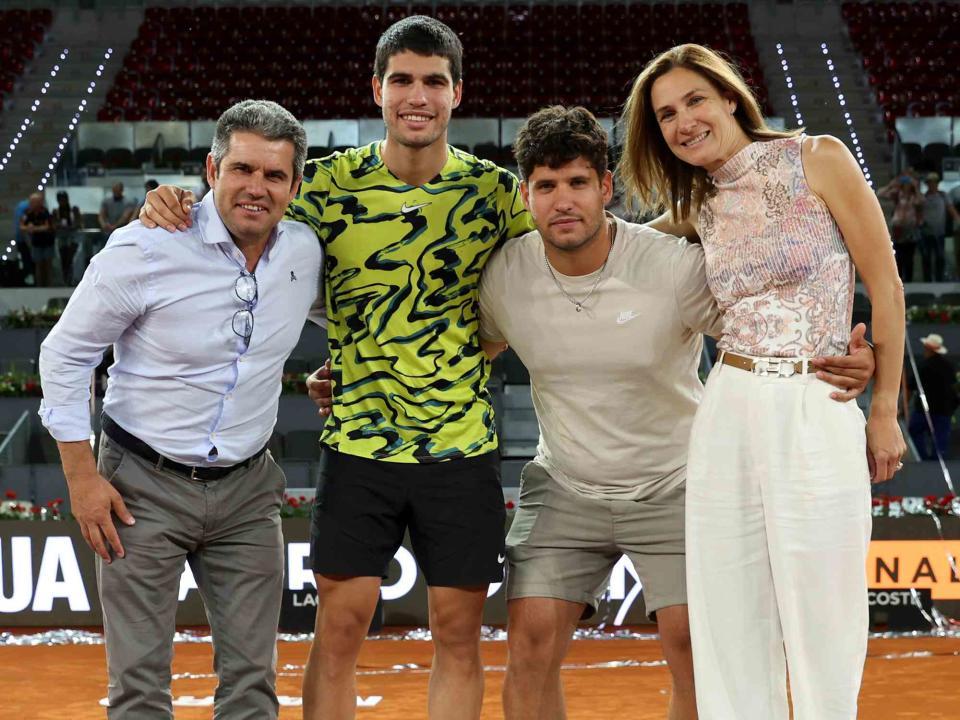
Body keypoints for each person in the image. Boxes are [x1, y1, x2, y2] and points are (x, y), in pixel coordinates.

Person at [138, 17, 533, 720]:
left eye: (434, 81)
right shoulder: (321, 187)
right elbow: (234, 222)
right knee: (341, 629)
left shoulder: (496, 193)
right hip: (359, 447)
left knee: (458, 636)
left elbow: (543, 288)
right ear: (377, 88)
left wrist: (487, 343)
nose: (418, 95)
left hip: (461, 448)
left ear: (458, 93)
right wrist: (166, 200)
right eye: (403, 80)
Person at [473, 106, 875, 720]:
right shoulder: (504, 277)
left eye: (578, 183)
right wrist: (352, 380)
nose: (563, 200)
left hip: (679, 484)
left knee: (695, 649)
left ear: (606, 188)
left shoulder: (670, 266)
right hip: (564, 487)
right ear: (525, 194)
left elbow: (759, 338)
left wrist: (848, 355)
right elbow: (461, 354)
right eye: (546, 186)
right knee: (528, 643)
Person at [619, 44, 906, 720]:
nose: (683, 122)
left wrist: (884, 407)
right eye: (665, 115)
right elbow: (618, 245)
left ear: (729, 97)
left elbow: (885, 284)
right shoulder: (697, 205)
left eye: (693, 100)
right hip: (728, 408)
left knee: (822, 600)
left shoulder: (819, 157)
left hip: (817, 400)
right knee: (728, 605)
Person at [39, 100, 322, 720]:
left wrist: (341, 373)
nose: (257, 188)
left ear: (296, 186)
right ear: (211, 168)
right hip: (139, 488)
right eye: (243, 169)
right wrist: (82, 477)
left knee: (252, 688)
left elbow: (359, 319)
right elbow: (63, 356)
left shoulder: (307, 253)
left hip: (248, 492)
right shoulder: (145, 246)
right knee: (138, 691)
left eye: (275, 176)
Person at [907, 333, 958, 460]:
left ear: (929, 348)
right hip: (944, 410)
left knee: (915, 431)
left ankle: (923, 458)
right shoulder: (949, 366)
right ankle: (937, 461)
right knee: (941, 438)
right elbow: (954, 387)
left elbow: (910, 386)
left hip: (924, 409)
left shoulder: (923, 366)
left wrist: (903, 408)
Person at [878, 173, 924, 282]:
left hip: (910, 228)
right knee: (899, 255)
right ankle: (899, 279)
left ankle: (909, 279)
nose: (907, 186)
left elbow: (921, 201)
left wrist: (916, 187)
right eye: (905, 184)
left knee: (909, 256)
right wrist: (891, 185)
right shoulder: (897, 195)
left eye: (908, 184)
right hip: (898, 228)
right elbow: (880, 193)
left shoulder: (914, 196)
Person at [919, 172, 960, 281]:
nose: (932, 185)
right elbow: (919, 211)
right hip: (926, 232)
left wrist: (957, 219)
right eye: (930, 183)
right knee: (926, 257)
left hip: (939, 232)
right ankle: (927, 280)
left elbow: (951, 209)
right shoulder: (923, 197)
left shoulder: (943, 195)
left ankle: (939, 280)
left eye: (934, 182)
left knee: (940, 257)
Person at [19, 192, 56, 286]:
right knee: (38, 265)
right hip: (36, 243)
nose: (31, 204)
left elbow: (47, 227)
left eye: (34, 202)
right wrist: (29, 228)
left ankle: (49, 285)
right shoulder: (28, 213)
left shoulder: (45, 212)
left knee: (48, 265)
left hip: (47, 242)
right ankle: (39, 286)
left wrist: (33, 228)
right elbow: (22, 226)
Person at [53, 190, 83, 285]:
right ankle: (65, 280)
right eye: (60, 200)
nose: (62, 201)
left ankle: (72, 279)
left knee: (72, 259)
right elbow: (55, 224)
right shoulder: (56, 211)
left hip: (73, 238)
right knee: (63, 260)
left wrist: (69, 227)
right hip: (62, 239)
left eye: (63, 199)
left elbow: (78, 223)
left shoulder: (74, 210)